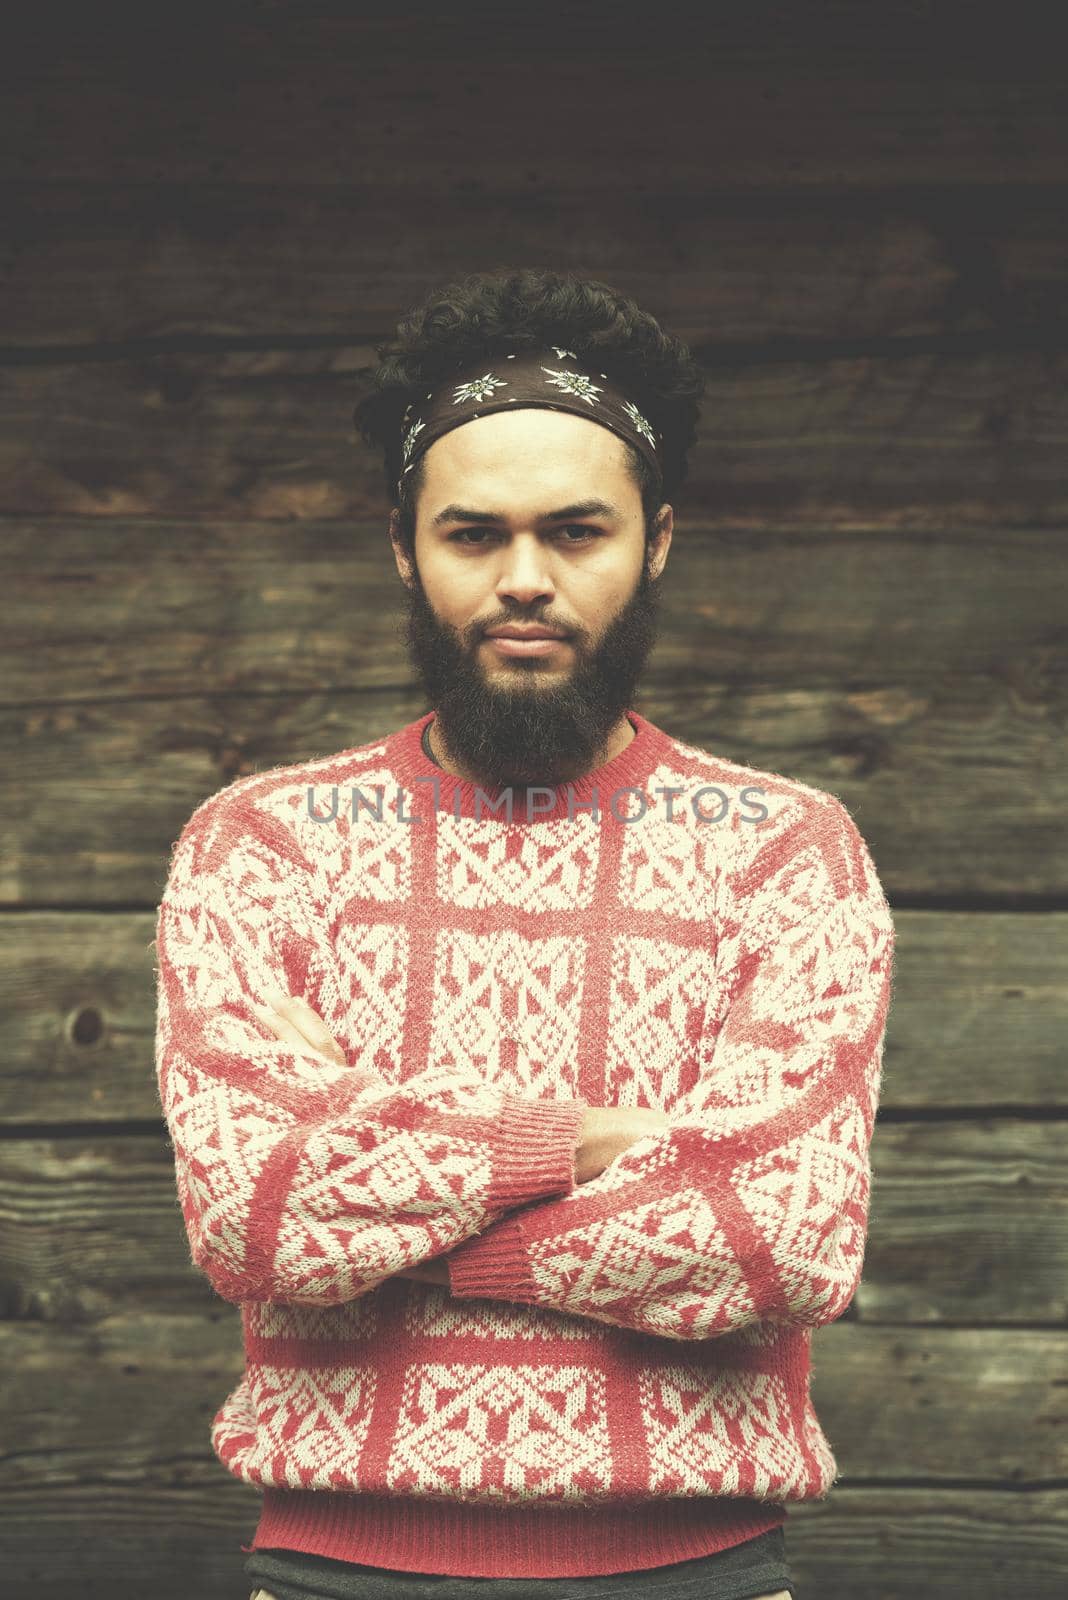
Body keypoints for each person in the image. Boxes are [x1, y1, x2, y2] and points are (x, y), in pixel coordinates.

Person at [154, 268, 895, 1600]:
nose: (525, 580)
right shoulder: (260, 845)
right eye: (473, 535)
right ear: (403, 545)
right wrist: (586, 1141)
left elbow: (780, 1240)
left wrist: (383, 1176)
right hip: (336, 1568)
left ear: (656, 542)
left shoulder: (788, 850)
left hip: (699, 1570)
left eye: (576, 532)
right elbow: (255, 1220)